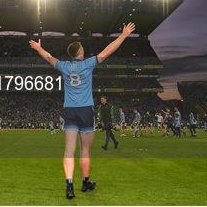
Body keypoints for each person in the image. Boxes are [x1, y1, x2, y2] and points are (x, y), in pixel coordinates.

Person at [29, 22, 136, 199]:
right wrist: (124, 35)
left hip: (69, 110)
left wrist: (39, 48)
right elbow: (108, 51)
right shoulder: (88, 64)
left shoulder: (63, 66)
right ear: (80, 52)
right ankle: (85, 181)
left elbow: (48, 57)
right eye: (83, 48)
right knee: (85, 150)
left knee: (69, 150)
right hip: (86, 110)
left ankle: (69, 186)